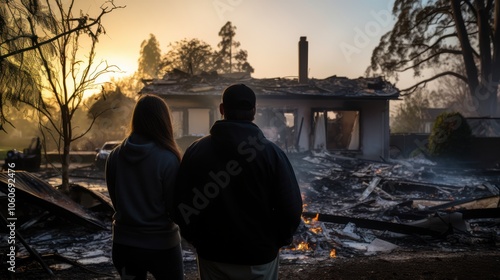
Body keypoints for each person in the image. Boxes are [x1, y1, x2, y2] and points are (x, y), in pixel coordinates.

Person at [173, 84, 303, 280]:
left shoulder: (196, 152)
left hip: (213, 256)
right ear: (254, 112)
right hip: (260, 258)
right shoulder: (272, 154)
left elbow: (180, 202)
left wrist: (196, 239)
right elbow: (291, 208)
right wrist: (275, 242)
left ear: (222, 109)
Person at [105, 94, 184, 280]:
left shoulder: (115, 156)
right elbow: (174, 210)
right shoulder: (168, 159)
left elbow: (116, 202)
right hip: (162, 246)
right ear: (163, 120)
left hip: (124, 245)